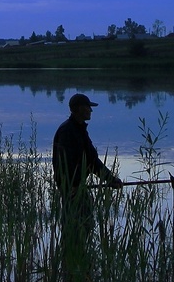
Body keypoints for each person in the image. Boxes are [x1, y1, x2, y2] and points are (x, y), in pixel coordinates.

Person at [51, 92, 123, 240]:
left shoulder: (80, 130)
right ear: (78, 109)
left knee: (86, 224)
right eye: (88, 107)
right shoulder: (67, 131)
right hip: (71, 190)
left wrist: (110, 179)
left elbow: (92, 161)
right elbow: (62, 164)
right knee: (73, 228)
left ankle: (82, 259)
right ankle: (70, 257)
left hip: (79, 188)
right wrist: (69, 186)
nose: (91, 110)